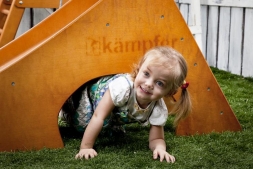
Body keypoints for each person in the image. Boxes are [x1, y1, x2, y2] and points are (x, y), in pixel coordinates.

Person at [62, 46, 191, 163]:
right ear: (139, 69)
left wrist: (160, 149)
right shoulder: (122, 87)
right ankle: (67, 109)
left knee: (109, 128)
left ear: (170, 92)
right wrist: (86, 147)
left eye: (160, 83)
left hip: (114, 111)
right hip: (92, 97)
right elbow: (98, 116)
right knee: (82, 125)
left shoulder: (158, 108)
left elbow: (156, 139)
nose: (149, 84)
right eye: (146, 74)